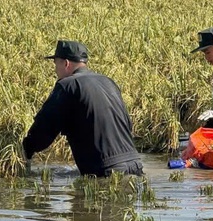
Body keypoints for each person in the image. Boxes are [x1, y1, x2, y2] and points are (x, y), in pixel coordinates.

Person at [22, 40, 143, 177]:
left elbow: (45, 128)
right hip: (135, 164)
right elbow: (128, 124)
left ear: (66, 63)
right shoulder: (108, 82)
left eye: (56, 64)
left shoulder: (67, 86)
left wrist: (25, 149)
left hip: (106, 170)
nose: (55, 70)